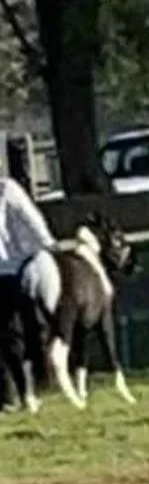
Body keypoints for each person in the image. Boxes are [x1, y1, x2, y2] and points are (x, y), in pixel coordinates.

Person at [0, 176, 55, 412]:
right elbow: (30, 217)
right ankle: (25, 393)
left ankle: (8, 395)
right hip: (8, 271)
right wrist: (47, 243)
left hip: (7, 269)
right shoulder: (6, 189)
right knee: (13, 334)